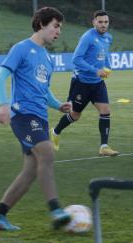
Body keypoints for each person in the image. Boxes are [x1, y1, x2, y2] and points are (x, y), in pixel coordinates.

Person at [0, 6, 73, 232]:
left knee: (31, 170)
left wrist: (58, 105)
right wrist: (4, 104)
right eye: (56, 26)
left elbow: (44, 90)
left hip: (40, 117)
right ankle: (56, 209)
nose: (58, 31)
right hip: (22, 115)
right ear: (42, 24)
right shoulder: (22, 49)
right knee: (47, 152)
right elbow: (0, 77)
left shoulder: (47, 57)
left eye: (60, 28)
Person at [50, 10, 119, 156]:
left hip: (97, 83)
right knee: (75, 115)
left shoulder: (108, 38)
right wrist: (95, 70)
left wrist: (108, 67)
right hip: (81, 82)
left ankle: (104, 147)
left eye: (106, 22)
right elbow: (76, 59)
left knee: (105, 111)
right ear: (94, 22)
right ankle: (55, 132)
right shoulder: (88, 37)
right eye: (100, 22)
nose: (103, 25)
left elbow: (105, 55)